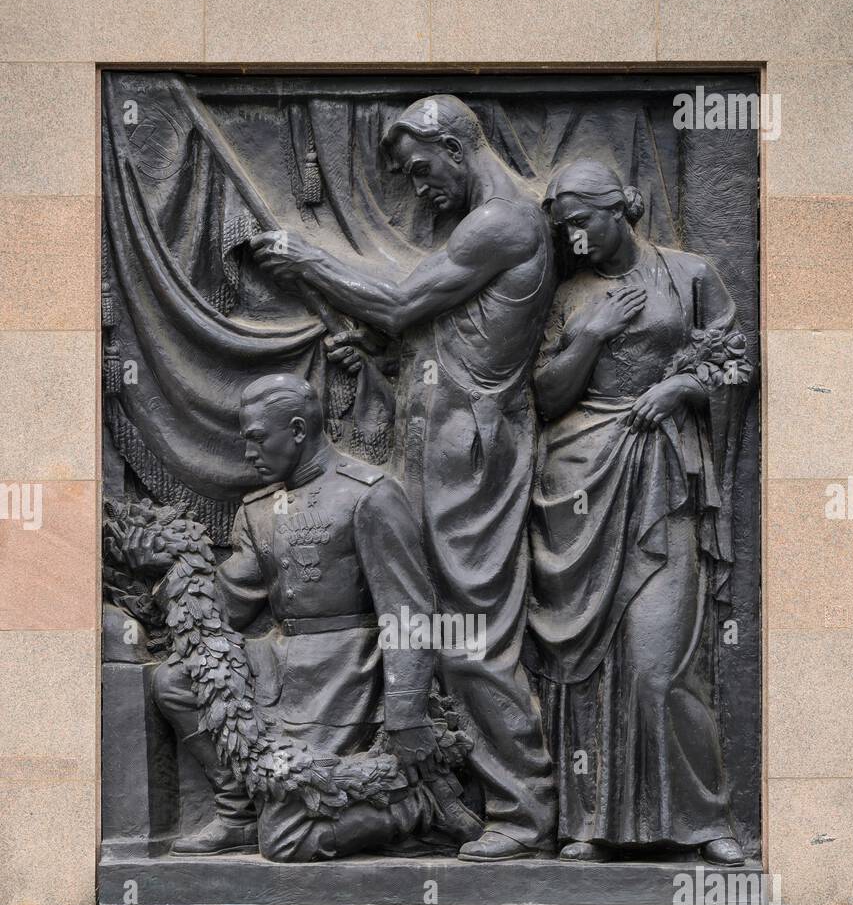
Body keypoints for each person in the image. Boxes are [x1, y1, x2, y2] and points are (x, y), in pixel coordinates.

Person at [248, 95, 556, 862]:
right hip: (438, 447)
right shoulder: (478, 229)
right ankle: (443, 793)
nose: (421, 188)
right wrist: (384, 369)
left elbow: (400, 301)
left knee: (470, 636)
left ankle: (525, 809)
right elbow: (445, 338)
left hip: (471, 457)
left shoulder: (506, 221)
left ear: (454, 145)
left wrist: (303, 253)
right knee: (425, 623)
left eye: (423, 170)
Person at [141, 373, 477, 861]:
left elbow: (409, 611)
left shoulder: (369, 494)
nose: (249, 451)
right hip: (281, 662)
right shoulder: (259, 510)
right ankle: (239, 811)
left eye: (257, 438)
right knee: (176, 679)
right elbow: (230, 603)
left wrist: (405, 711)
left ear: (297, 430)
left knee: (286, 842)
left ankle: (417, 806)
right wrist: (168, 570)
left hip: (347, 673)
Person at [525, 160, 750, 866]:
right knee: (586, 666)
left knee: (660, 663)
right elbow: (547, 397)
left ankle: (702, 819)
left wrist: (682, 385)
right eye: (564, 228)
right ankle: (587, 821)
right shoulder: (567, 294)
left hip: (661, 479)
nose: (574, 236)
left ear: (619, 209)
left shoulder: (688, 274)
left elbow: (737, 360)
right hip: (579, 480)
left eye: (581, 222)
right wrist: (587, 334)